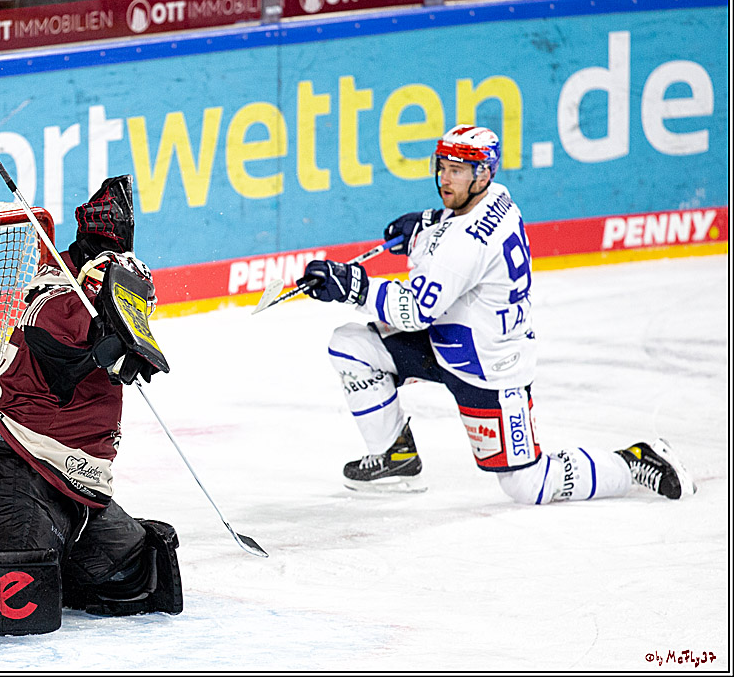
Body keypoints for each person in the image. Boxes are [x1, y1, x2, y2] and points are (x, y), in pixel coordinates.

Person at [295, 124, 696, 504]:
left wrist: (352, 285)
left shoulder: (466, 243)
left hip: (488, 369)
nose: (444, 180)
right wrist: (424, 227)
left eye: (456, 171)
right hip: (447, 342)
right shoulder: (495, 197)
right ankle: (395, 457)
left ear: (482, 173)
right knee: (351, 346)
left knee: (527, 484)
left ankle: (633, 461)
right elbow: (451, 233)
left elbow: (417, 309)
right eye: (442, 168)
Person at [0, 175, 183, 617]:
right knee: (9, 594)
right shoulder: (55, 296)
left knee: (136, 576)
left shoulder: (105, 314)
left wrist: (118, 339)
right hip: (17, 471)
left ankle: (58, 558)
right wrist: (99, 341)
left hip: (79, 490)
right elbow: (59, 347)